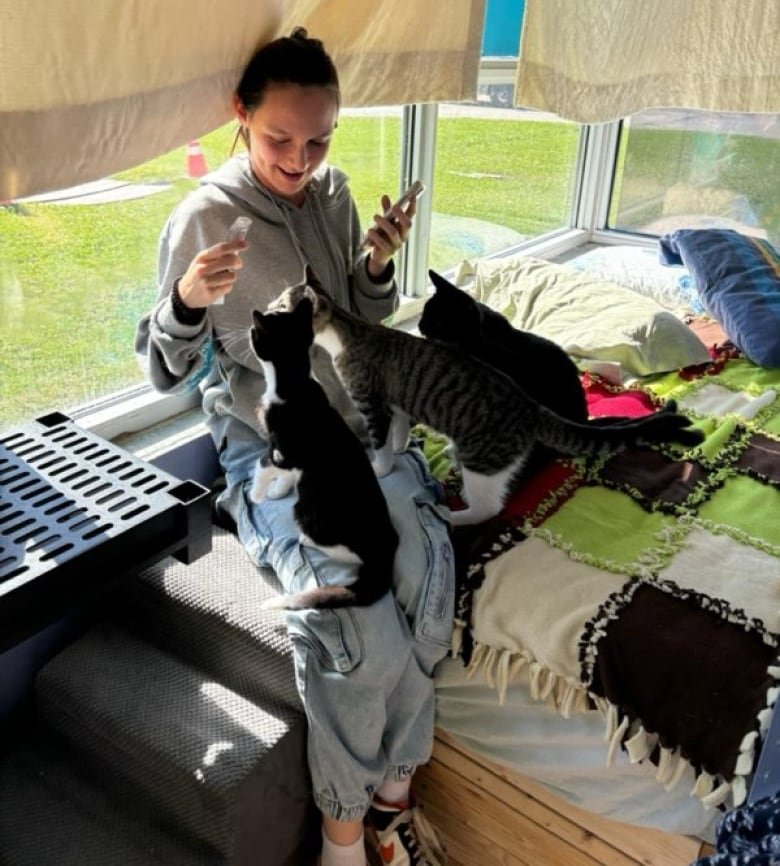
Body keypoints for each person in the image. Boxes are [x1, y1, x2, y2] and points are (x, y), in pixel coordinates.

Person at [135, 27, 455, 866]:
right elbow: (167, 377)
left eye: (319, 140)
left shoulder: (334, 192)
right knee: (360, 635)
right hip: (279, 458)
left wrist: (375, 264)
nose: (300, 159)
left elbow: (363, 321)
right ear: (241, 117)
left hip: (366, 431)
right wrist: (185, 300)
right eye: (280, 137)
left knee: (426, 580)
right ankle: (344, 842)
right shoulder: (202, 217)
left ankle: (394, 801)